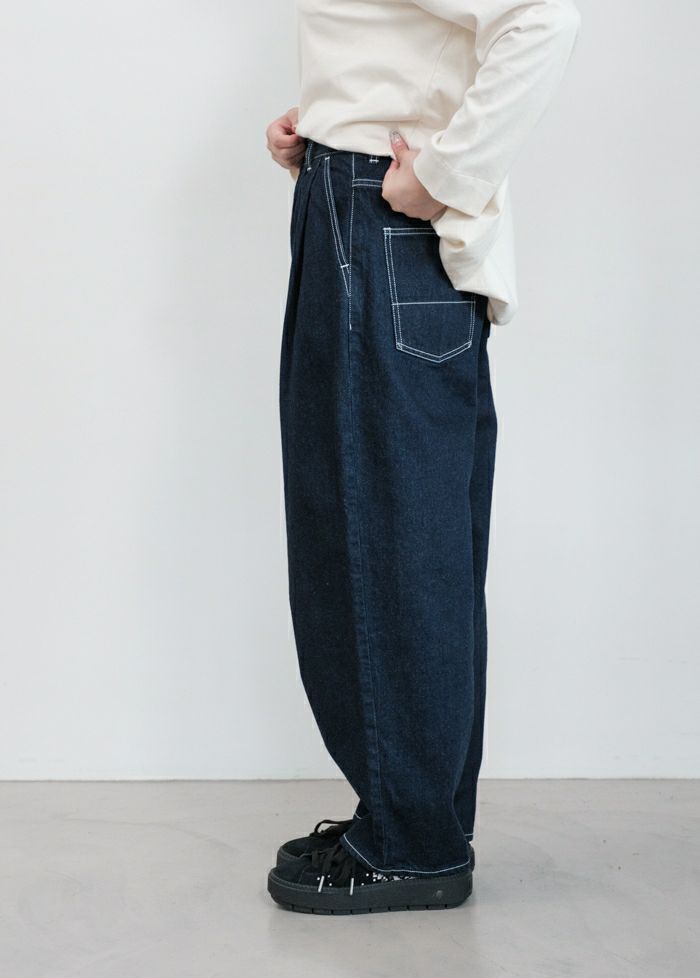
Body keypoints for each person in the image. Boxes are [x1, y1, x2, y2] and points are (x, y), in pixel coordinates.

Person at [265, 0, 580, 915]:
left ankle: (412, 844)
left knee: (393, 539)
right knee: (392, 532)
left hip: (379, 222)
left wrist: (446, 171)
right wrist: (330, 118)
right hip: (355, 204)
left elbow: (542, 18)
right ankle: (415, 819)